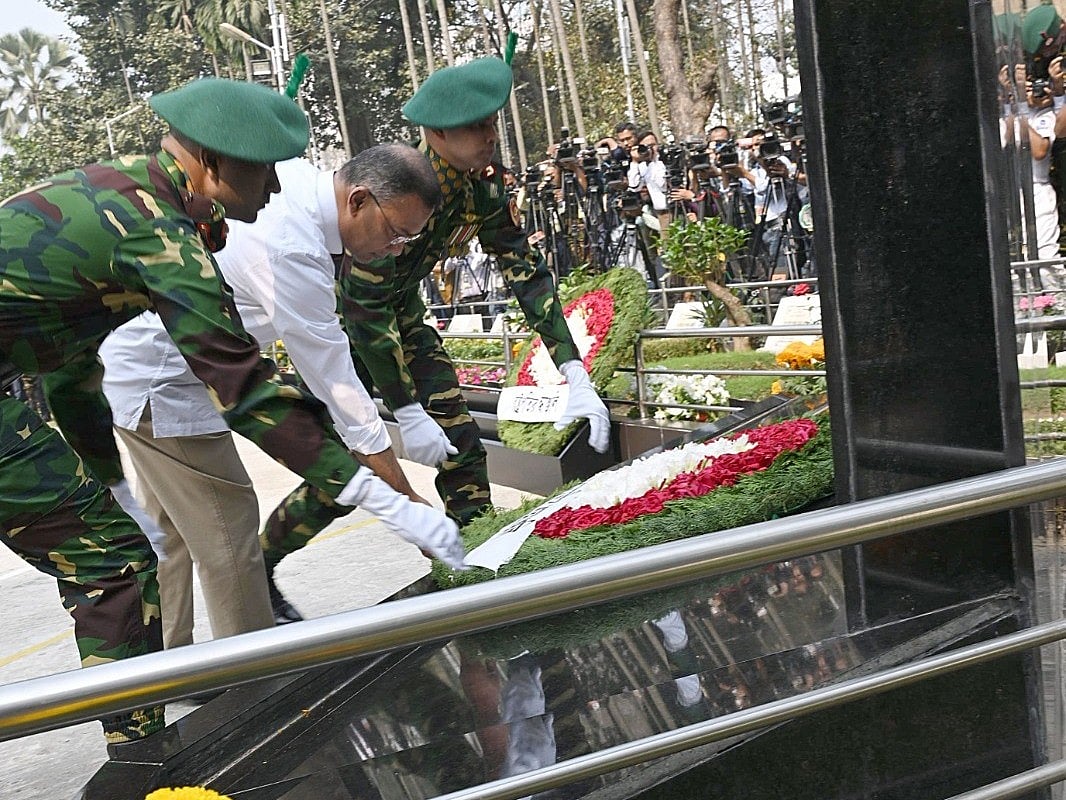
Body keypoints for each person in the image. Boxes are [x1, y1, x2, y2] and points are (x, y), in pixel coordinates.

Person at [0, 78, 463, 747]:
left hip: (104, 385)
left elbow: (74, 359)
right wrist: (378, 494)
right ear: (210, 163)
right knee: (140, 558)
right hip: (156, 391)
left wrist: (108, 477)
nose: (273, 190)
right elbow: (245, 384)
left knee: (152, 545)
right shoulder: (161, 229)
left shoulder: (143, 191)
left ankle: (163, 692)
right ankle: (174, 747)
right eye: (260, 171)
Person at [259, 57, 611, 604]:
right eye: (477, 127)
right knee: (347, 470)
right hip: (345, 335)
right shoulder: (402, 187)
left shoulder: (480, 189)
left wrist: (571, 367)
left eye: (493, 123)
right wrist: (405, 408)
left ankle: (483, 564)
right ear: (437, 131)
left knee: (461, 446)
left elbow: (524, 272)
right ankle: (261, 562)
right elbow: (364, 306)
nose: (490, 137)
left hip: (403, 322)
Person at [100, 143, 444, 638]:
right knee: (230, 535)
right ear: (359, 200)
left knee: (170, 534)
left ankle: (172, 665)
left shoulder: (305, 190)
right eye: (396, 233)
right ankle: (250, 683)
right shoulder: (292, 246)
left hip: (158, 364)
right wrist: (408, 501)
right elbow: (335, 380)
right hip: (164, 378)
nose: (397, 249)